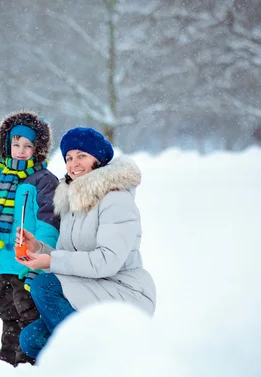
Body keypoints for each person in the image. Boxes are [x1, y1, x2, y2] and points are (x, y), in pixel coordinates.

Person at [15, 127, 156, 360]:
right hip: (89, 287)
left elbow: (107, 261)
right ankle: (72, 363)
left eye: (82, 156)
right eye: (69, 158)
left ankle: (90, 359)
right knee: (31, 339)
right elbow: (69, 257)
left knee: (44, 285)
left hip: (123, 290)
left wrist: (52, 261)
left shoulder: (116, 199)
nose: (74, 164)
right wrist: (38, 249)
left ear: (98, 159)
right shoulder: (73, 201)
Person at [0, 110, 60, 366]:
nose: (21, 150)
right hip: (3, 262)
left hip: (26, 263)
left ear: (38, 149)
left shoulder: (43, 180)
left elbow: (47, 223)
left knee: (28, 313)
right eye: (15, 144)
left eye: (28, 145)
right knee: (7, 313)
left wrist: (40, 257)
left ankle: (29, 362)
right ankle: (7, 359)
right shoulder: (5, 176)